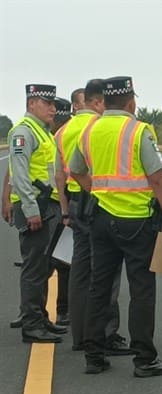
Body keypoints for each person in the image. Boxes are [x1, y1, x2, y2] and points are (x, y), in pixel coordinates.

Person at [69, 76, 162, 377]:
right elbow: (158, 178)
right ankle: (144, 358)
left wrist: (97, 190)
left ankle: (94, 356)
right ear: (130, 101)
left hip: (100, 219)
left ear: (104, 101)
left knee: (99, 286)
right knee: (142, 288)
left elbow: (75, 170)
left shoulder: (90, 129)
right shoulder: (138, 130)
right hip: (136, 221)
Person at [56, 81, 130, 354]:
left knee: (79, 269)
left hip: (75, 202)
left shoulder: (64, 130)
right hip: (97, 200)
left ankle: (80, 335)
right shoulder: (96, 128)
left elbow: (59, 174)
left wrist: (65, 210)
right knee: (106, 271)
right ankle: (104, 335)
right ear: (97, 102)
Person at [8, 84, 70, 343]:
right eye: (48, 104)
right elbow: (20, 174)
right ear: (32, 103)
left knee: (44, 265)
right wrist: (32, 210)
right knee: (34, 268)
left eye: (54, 105)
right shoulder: (23, 132)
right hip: (36, 208)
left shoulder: (42, 132)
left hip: (48, 206)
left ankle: (40, 316)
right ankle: (32, 324)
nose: (53, 110)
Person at [50, 97, 72, 326]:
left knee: (62, 262)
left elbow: (60, 175)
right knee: (64, 261)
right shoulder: (64, 134)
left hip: (61, 204)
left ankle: (63, 310)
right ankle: (64, 310)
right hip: (63, 202)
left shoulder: (59, 136)